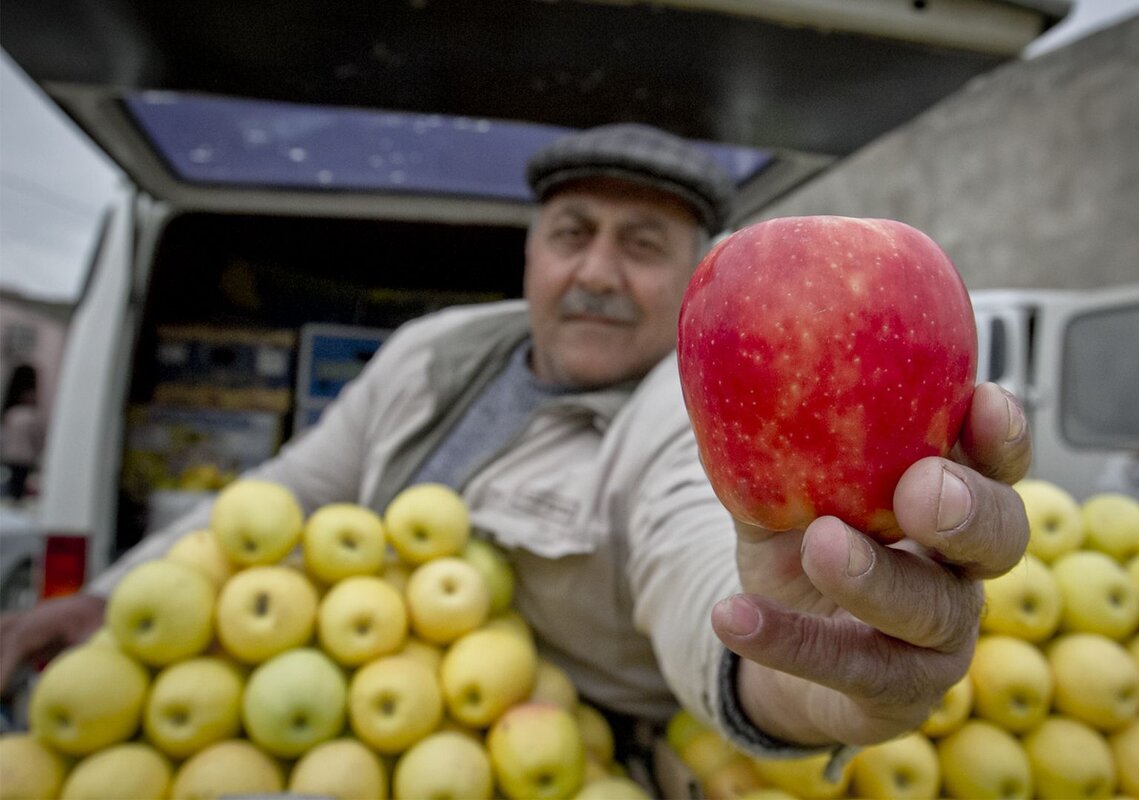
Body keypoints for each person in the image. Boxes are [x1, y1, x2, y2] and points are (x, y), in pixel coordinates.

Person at [0, 123, 1029, 773]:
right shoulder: (434, 351)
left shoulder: (690, 429)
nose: (596, 270)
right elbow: (294, 484)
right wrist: (113, 593)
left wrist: (823, 678)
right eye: (570, 231)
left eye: (642, 244)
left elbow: (698, 571)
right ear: (529, 251)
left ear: (695, 285)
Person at [0, 364, 45, 502]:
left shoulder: (12, 414)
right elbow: (37, 437)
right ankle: (16, 498)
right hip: (25, 455)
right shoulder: (32, 415)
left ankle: (13, 497)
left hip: (12, 454)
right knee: (20, 480)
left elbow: (6, 435)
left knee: (14, 480)